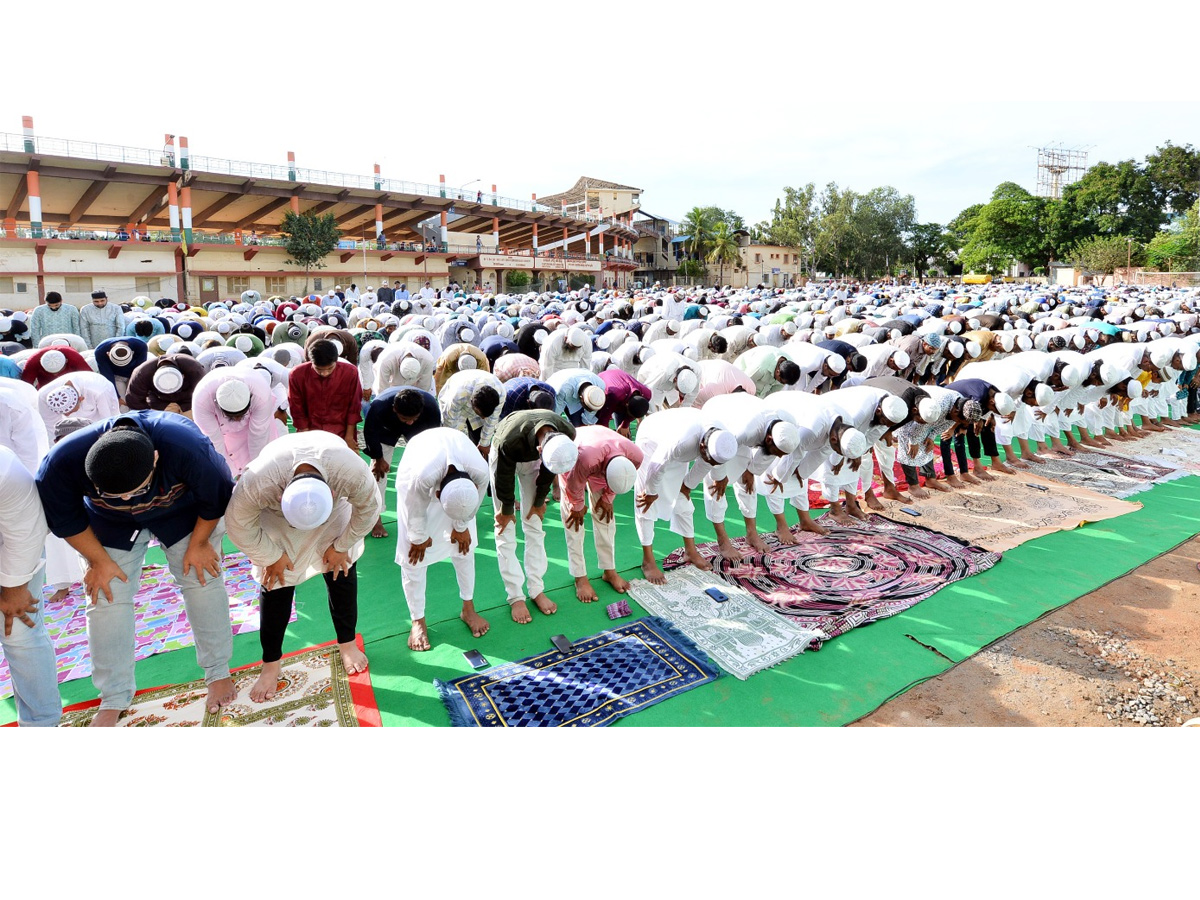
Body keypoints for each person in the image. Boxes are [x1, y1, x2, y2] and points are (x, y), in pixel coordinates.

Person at [35, 411, 238, 724]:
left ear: (156, 459)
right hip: (108, 520)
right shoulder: (62, 461)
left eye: (134, 489)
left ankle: (218, 672)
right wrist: (98, 561)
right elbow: (65, 520)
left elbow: (215, 498)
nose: (129, 498)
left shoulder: (185, 446)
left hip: (180, 511)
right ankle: (113, 695)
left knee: (202, 579)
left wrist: (198, 545)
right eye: (118, 493)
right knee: (104, 597)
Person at [226, 431, 379, 701]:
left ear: (331, 491)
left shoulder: (350, 471)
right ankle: (270, 664)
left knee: (341, 573)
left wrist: (341, 546)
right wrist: (270, 555)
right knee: (276, 583)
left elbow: (369, 509)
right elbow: (238, 525)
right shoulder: (260, 481)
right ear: (282, 492)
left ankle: (347, 643)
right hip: (278, 521)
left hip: (333, 518)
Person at [392, 427, 490, 651]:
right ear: (437, 495)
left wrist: (461, 525)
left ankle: (468, 608)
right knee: (413, 559)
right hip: (418, 473)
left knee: (465, 548)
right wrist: (418, 537)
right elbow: (413, 509)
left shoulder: (480, 472)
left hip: (457, 481)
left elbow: (472, 504)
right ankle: (418, 620)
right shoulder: (417, 478)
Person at [490, 409, 578, 624]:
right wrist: (507, 511)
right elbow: (504, 479)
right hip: (504, 457)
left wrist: (538, 502)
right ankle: (515, 596)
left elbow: (551, 467)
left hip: (535, 459)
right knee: (505, 528)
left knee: (535, 524)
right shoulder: (508, 440)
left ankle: (536, 589)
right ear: (540, 449)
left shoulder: (567, 434)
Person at [633, 407, 738, 584]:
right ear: (703, 447)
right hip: (651, 440)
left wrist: (687, 486)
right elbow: (657, 466)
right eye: (709, 458)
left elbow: (708, 462)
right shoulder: (680, 443)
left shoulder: (722, 439)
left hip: (679, 440)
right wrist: (651, 493)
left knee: (682, 498)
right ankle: (648, 560)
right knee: (645, 502)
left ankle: (690, 550)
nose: (710, 462)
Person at [0, 446, 61, 726]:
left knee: (18, 631)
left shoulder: (5, 469)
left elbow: (26, 531)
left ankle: (42, 725)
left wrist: (14, 589)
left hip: (13, 544)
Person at [559, 425, 642, 602]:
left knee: (606, 517)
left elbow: (620, 480)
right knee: (574, 522)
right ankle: (580, 577)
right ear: (604, 473)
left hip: (604, 457)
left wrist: (608, 497)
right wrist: (577, 506)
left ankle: (609, 570)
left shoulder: (636, 456)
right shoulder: (586, 459)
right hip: (576, 458)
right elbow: (573, 484)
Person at [362, 386, 441, 537]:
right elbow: (370, 432)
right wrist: (378, 458)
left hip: (421, 429)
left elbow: (433, 439)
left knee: (426, 471)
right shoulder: (379, 406)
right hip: (387, 427)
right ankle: (376, 518)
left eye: (413, 418)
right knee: (377, 473)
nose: (409, 422)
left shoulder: (430, 407)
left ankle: (423, 515)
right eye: (405, 419)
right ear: (394, 409)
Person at [191, 367, 284, 478]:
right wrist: (227, 475)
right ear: (218, 405)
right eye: (232, 416)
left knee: (263, 465)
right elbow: (215, 442)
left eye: (241, 415)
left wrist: (256, 472)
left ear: (250, 399)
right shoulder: (202, 400)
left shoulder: (260, 395)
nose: (237, 420)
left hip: (254, 425)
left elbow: (259, 435)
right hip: (223, 431)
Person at [288, 338, 363, 451]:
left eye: (330, 369)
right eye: (319, 369)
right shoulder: (297, 374)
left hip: (341, 431)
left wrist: (349, 437)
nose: (324, 373)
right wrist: (306, 436)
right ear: (310, 361)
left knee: (342, 465)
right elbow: (296, 408)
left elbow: (354, 407)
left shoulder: (350, 372)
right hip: (309, 430)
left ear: (336, 361)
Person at [438, 369, 504, 457]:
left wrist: (484, 443)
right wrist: (455, 447)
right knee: (452, 441)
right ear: (472, 404)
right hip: (457, 390)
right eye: (480, 414)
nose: (483, 418)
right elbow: (451, 423)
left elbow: (492, 420)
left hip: (475, 395)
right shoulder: (457, 395)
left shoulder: (501, 393)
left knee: (478, 434)